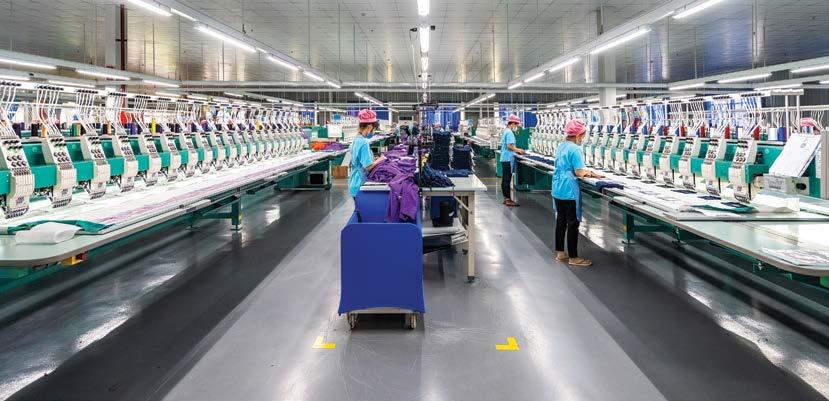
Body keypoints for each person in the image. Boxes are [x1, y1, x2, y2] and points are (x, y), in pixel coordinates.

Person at [552, 119, 603, 267]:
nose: (583, 138)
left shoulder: (561, 146)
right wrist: (592, 174)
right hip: (568, 188)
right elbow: (579, 172)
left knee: (561, 220)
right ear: (578, 135)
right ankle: (573, 257)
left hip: (558, 186)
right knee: (573, 222)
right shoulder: (575, 149)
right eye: (583, 135)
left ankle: (560, 253)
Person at [348, 109, 386, 199]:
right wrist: (381, 159)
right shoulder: (364, 143)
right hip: (360, 184)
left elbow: (359, 160)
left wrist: (373, 159)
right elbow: (367, 167)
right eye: (374, 129)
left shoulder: (356, 139)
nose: (373, 132)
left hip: (354, 181)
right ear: (369, 126)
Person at [500, 115, 524, 207]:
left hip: (504, 158)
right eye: (516, 125)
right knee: (507, 179)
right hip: (507, 159)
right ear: (513, 123)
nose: (516, 127)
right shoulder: (509, 132)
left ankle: (505, 198)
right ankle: (508, 200)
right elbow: (509, 146)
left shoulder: (506, 131)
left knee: (505, 179)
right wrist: (519, 150)